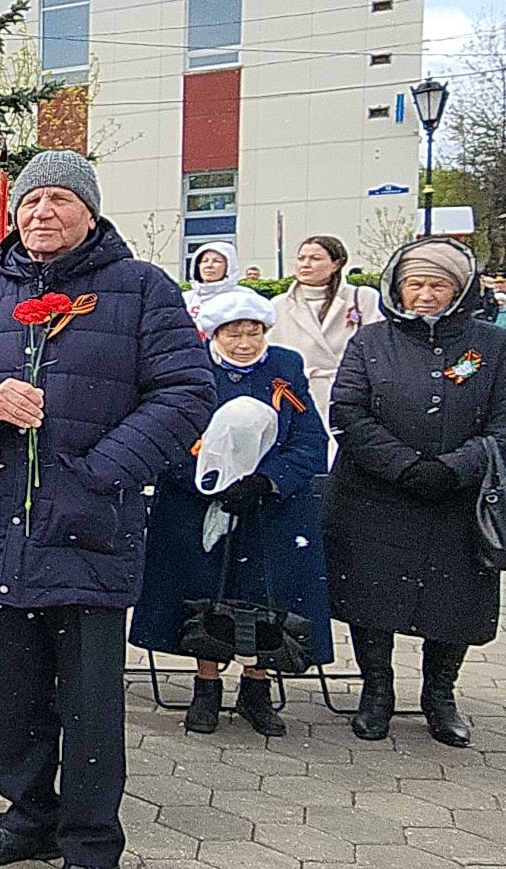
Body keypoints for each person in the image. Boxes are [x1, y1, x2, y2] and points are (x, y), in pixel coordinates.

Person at [0, 150, 214, 869]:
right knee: (12, 692)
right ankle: (28, 816)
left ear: (88, 209)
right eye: (29, 202)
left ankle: (89, 845)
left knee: (86, 700)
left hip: (89, 524)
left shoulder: (141, 289)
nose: (40, 213)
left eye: (57, 199)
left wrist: (101, 469)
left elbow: (187, 392)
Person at [325, 236, 506, 749]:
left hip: (459, 495)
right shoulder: (371, 341)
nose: (425, 294)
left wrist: (455, 467)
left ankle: (439, 696)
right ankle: (376, 690)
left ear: (460, 290)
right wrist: (404, 466)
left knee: (454, 601)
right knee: (372, 596)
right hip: (379, 493)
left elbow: (503, 422)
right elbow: (348, 411)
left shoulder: (490, 345)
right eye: (415, 284)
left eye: (438, 285)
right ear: (397, 289)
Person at [130, 290, 331, 737]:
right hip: (198, 498)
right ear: (214, 334)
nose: (245, 343)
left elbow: (307, 437)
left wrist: (267, 479)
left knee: (264, 592)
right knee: (204, 590)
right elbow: (168, 432)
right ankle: (206, 685)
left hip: (268, 504)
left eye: (253, 333)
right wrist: (206, 477)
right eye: (233, 334)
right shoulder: (191, 369)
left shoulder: (285, 367)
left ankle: (257, 686)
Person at [267, 234, 382, 438]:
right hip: (298, 394)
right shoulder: (278, 305)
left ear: (336, 264)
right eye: (301, 258)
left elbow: (377, 348)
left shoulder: (363, 297)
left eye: (315, 259)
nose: (305, 264)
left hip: (349, 392)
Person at [180, 240, 241, 326]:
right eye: (205, 261)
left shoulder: (244, 298)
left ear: (229, 266)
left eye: (217, 261)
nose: (209, 265)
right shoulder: (184, 299)